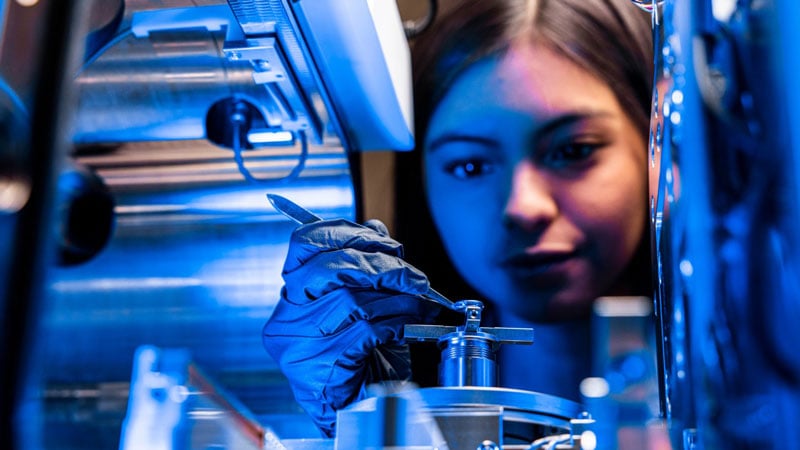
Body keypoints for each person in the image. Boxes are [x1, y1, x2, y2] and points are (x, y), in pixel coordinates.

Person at [263, 0, 654, 438]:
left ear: (658, 150)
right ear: (422, 184)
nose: (524, 208)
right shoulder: (387, 404)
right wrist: (350, 426)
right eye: (470, 166)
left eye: (572, 150)